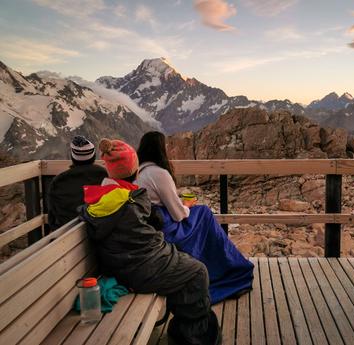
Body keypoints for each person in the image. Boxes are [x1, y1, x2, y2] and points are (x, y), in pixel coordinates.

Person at [79, 138, 221, 345]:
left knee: (186, 265)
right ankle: (195, 337)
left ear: (109, 172)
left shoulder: (100, 198)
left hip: (119, 265)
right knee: (198, 272)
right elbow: (145, 237)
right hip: (139, 269)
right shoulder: (131, 199)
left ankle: (185, 329)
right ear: (136, 172)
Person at [136, 131, 254, 305]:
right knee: (204, 213)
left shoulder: (138, 171)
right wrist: (187, 205)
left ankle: (219, 264)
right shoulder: (159, 173)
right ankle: (227, 269)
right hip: (166, 228)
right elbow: (178, 215)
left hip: (150, 225)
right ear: (160, 150)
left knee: (201, 214)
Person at [47, 135, 107, 231]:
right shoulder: (105, 175)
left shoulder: (58, 181)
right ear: (93, 156)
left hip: (67, 234)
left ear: (73, 157)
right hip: (100, 231)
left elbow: (52, 218)